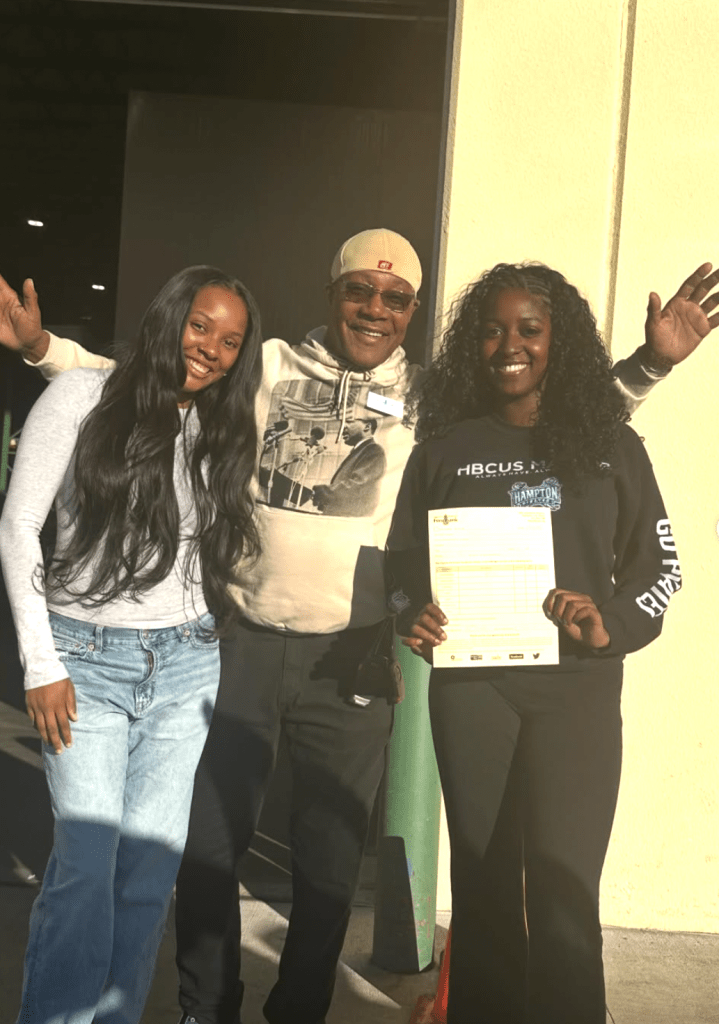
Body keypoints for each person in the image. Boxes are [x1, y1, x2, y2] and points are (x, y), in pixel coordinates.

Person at [0, 233, 717, 1024]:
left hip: (349, 658)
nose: (374, 309)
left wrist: (649, 365)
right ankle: (208, 1009)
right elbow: (152, 377)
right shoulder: (265, 364)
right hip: (238, 643)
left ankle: (299, 1010)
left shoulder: (432, 401)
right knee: (204, 851)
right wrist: (43, 350)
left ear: (411, 311)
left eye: (394, 298)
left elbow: (558, 424)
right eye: (358, 292)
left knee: (331, 863)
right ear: (333, 289)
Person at [386, 262, 685, 1024]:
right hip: (472, 693)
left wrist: (608, 621)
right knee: (483, 891)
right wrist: (408, 612)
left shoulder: (609, 445)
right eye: (490, 329)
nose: (508, 344)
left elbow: (660, 568)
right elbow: (401, 565)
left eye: (528, 328)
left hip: (577, 694)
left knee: (562, 894)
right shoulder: (444, 450)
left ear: (560, 343)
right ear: (468, 345)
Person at [0, 265, 262, 1024]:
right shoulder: (82, 395)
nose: (210, 348)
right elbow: (18, 528)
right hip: (83, 663)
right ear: (170, 316)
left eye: (230, 341)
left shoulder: (217, 423)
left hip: (185, 666)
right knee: (84, 867)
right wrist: (41, 663)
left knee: (148, 874)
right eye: (200, 324)